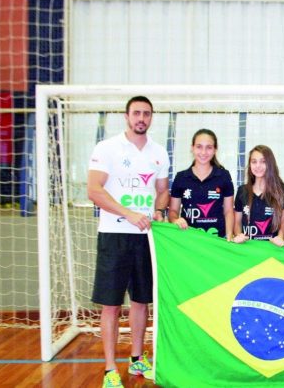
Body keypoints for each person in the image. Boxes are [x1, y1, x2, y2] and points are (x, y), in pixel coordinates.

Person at [87, 96, 170, 388]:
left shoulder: (158, 152)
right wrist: (129, 213)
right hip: (114, 235)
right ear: (126, 116)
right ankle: (110, 369)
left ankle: (137, 358)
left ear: (151, 117)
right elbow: (94, 190)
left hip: (146, 237)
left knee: (140, 301)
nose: (142, 118)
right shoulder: (107, 148)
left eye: (147, 113)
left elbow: (162, 191)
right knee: (110, 304)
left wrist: (158, 211)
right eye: (137, 113)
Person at [168, 129, 234, 240]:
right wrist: (175, 219)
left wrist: (229, 236)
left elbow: (228, 211)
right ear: (192, 148)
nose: (203, 152)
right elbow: (173, 211)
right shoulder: (181, 177)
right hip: (190, 240)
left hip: (218, 240)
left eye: (209, 147)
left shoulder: (224, 176)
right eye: (199, 147)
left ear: (215, 150)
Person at [232, 145, 284, 247]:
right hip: (247, 249)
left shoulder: (281, 191)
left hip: (272, 250)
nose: (258, 165)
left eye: (263, 161)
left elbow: (283, 222)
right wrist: (238, 234)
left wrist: (280, 236)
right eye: (254, 162)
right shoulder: (242, 191)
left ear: (270, 164)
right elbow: (237, 222)